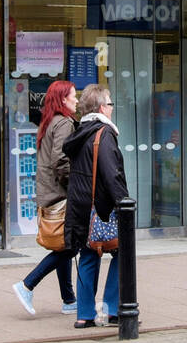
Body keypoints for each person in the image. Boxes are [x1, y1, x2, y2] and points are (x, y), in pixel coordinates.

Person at [63, 85, 128, 329]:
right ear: (102, 108)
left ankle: (84, 315)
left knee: (88, 256)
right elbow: (112, 174)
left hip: (81, 208)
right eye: (110, 103)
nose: (112, 108)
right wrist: (124, 204)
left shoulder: (80, 132)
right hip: (102, 207)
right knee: (122, 253)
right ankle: (111, 309)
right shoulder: (104, 133)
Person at [13, 80, 79, 316]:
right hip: (60, 193)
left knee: (65, 244)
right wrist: (76, 186)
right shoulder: (63, 123)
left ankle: (69, 299)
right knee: (70, 246)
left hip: (50, 192)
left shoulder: (49, 121)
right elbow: (60, 161)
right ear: (63, 99)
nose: (77, 100)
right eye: (73, 96)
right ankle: (27, 284)